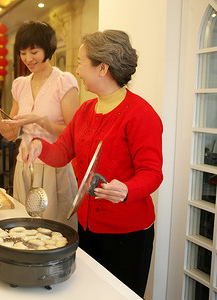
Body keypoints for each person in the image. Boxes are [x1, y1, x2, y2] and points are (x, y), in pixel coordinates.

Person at [21, 30, 163, 297]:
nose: (77, 70)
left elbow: (152, 173)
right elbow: (63, 151)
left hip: (127, 232)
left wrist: (127, 190)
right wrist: (40, 146)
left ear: (102, 68)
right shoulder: (86, 110)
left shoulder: (141, 114)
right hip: (86, 225)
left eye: (80, 62)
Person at [0, 20, 79, 227]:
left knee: (55, 230)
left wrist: (39, 120)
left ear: (48, 49)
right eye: (22, 52)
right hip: (24, 165)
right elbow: (10, 134)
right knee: (25, 227)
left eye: (34, 52)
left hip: (55, 167)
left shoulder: (64, 81)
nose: (28, 59)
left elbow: (74, 133)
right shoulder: (20, 85)